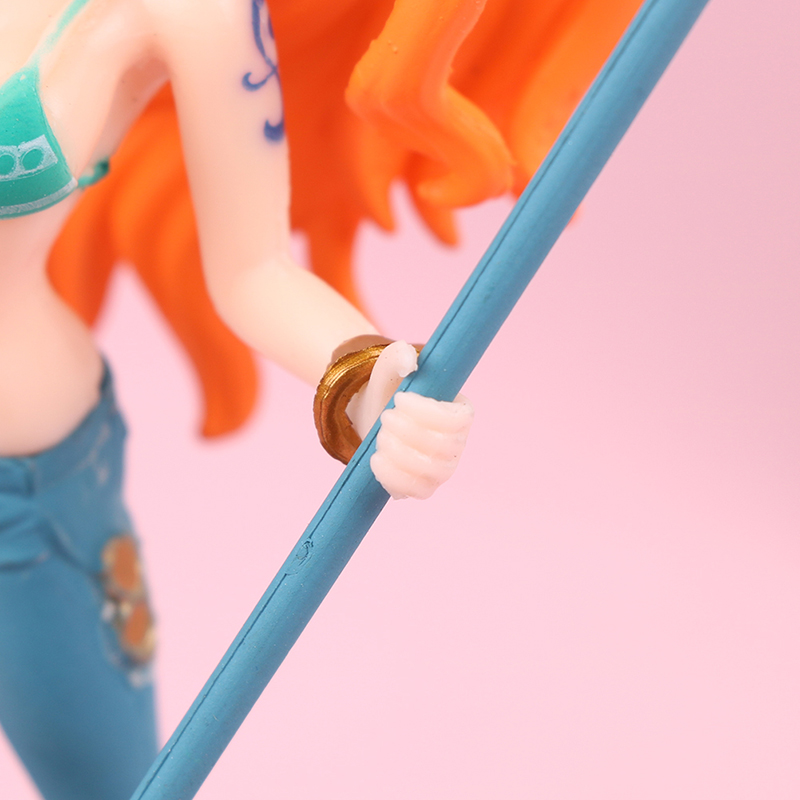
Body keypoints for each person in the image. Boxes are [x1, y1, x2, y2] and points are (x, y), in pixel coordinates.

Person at [0, 1, 642, 798]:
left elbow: (253, 271)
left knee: (99, 781)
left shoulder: (195, 16)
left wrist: (369, 384)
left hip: (24, 492)